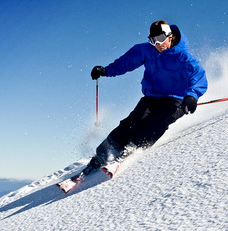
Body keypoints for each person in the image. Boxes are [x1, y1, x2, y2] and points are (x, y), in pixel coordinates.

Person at [81, 20, 208, 176]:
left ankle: (133, 147)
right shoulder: (146, 51)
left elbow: (198, 76)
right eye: (153, 40)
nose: (157, 44)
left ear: (170, 36)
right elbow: (125, 63)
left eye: (161, 38)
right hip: (152, 96)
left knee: (158, 121)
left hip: (176, 99)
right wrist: (106, 71)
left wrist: (192, 96)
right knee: (131, 122)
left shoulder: (183, 56)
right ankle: (103, 152)